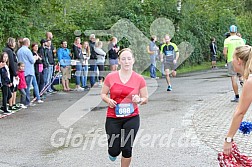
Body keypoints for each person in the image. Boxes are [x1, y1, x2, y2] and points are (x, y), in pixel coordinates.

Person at [101, 48, 148, 167]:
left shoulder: (139, 79)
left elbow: (145, 98)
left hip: (132, 117)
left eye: (129, 59)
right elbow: (103, 94)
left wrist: (140, 100)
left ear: (133, 60)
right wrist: (108, 100)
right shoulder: (111, 77)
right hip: (113, 117)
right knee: (114, 150)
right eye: (123, 59)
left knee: (127, 148)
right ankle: (112, 152)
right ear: (119, 61)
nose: (126, 62)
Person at [223, 45, 252, 155]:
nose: (231, 61)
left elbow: (240, 112)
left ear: (239, 61)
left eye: (232, 58)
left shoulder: (250, 81)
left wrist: (228, 139)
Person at [223, 25, 245, 102]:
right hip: (240, 60)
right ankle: (246, 94)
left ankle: (237, 96)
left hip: (231, 60)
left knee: (233, 78)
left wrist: (226, 57)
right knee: (242, 77)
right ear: (236, 31)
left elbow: (225, 52)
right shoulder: (241, 39)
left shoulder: (227, 40)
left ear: (229, 31)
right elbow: (244, 50)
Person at [3, 37, 21, 110]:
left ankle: (13, 103)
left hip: (13, 71)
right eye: (14, 42)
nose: (15, 44)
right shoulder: (9, 51)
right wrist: (15, 74)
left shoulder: (11, 51)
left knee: (15, 88)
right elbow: (11, 63)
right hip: (11, 72)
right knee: (12, 88)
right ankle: (10, 104)